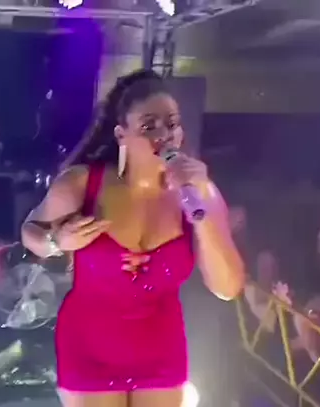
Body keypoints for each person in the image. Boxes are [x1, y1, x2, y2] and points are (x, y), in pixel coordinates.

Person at [20, 70, 245, 407]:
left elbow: (228, 287)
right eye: (149, 126)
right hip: (89, 347)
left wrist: (203, 211)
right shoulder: (83, 183)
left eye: (172, 124)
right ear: (121, 134)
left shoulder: (200, 193)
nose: (164, 135)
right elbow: (30, 232)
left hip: (161, 350)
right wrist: (56, 242)